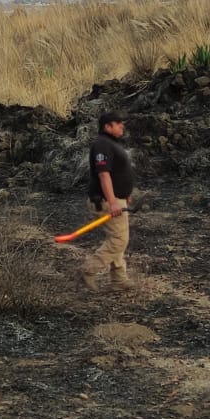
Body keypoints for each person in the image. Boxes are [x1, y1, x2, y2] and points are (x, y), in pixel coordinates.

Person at [83, 110, 135, 291]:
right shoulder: (102, 145)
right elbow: (104, 174)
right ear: (107, 126)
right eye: (117, 123)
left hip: (115, 199)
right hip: (105, 201)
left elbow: (116, 173)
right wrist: (112, 201)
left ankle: (119, 280)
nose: (122, 126)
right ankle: (88, 271)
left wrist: (125, 193)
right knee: (119, 240)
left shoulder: (111, 144)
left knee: (118, 238)